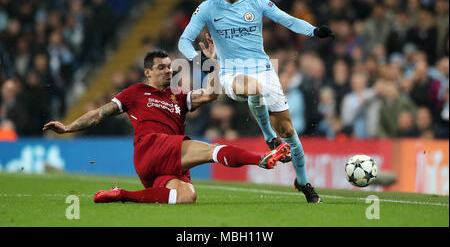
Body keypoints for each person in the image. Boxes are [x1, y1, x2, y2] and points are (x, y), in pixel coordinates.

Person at [178, 0, 334, 203]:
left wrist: (314, 31)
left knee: (289, 130)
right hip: (231, 73)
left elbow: (287, 19)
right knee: (254, 88)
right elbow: (184, 40)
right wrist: (202, 62)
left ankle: (303, 181)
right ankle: (269, 137)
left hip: (263, 69)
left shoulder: (256, 2)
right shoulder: (207, 8)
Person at [42, 50, 290, 204]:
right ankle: (261, 158)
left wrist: (213, 61)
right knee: (209, 150)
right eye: (161, 67)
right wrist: (67, 128)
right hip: (151, 148)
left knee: (185, 197)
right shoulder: (135, 92)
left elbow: (211, 94)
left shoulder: (178, 96)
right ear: (148, 72)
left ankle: (122, 194)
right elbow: (99, 114)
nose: (168, 71)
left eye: (170, 67)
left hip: (161, 165)